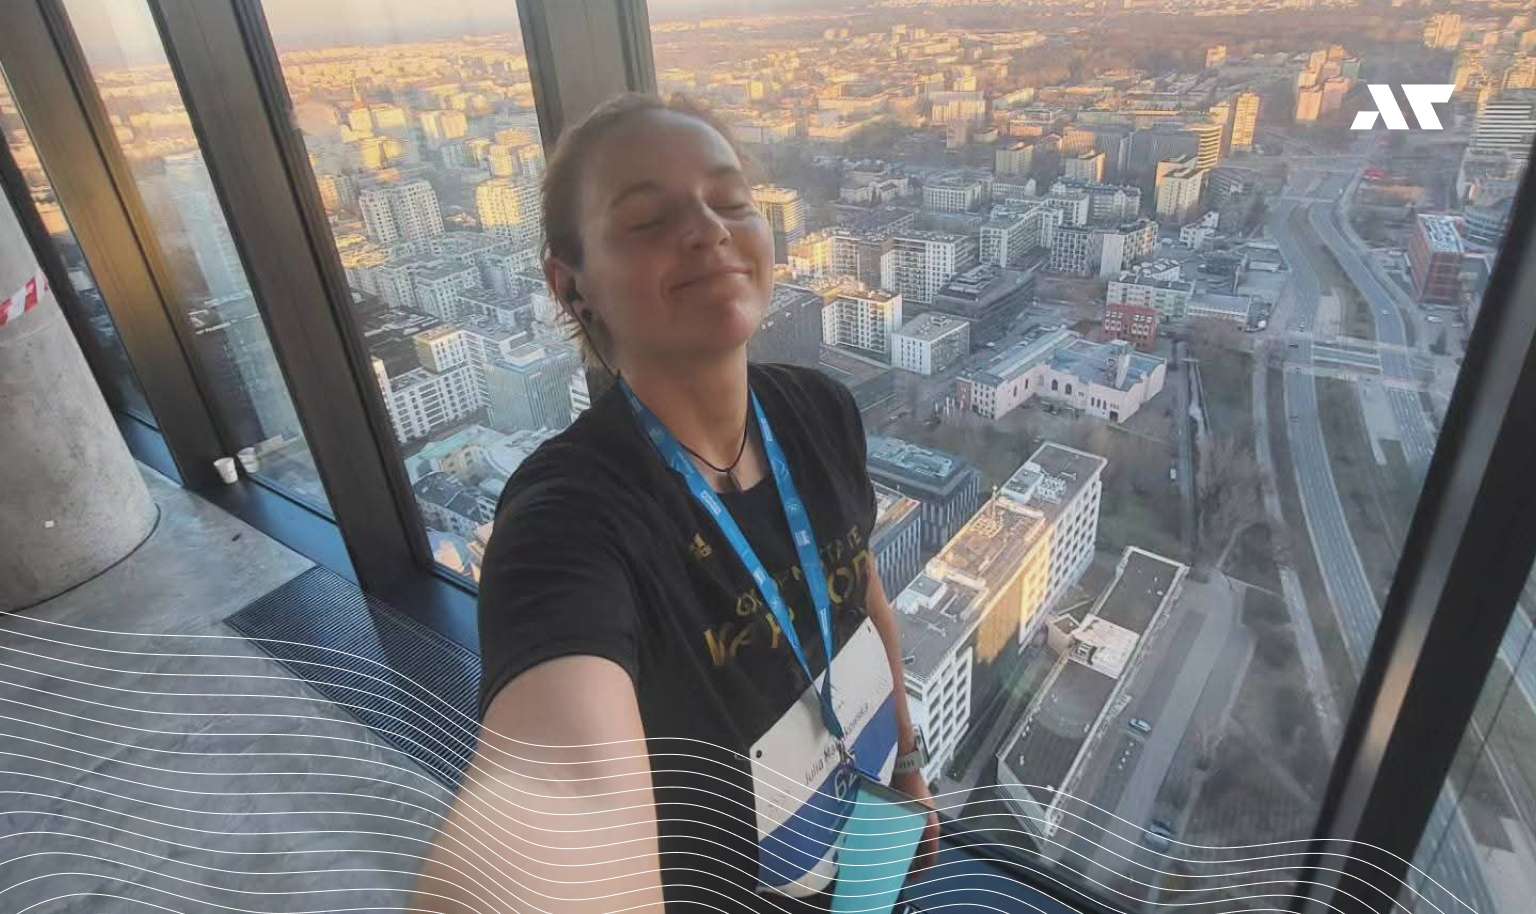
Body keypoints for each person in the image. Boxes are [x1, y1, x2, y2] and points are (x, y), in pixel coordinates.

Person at [409, 93, 939, 914]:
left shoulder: (819, 409)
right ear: (570, 285)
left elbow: (858, 589)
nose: (708, 229)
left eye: (731, 201)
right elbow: (560, 791)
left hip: (865, 837)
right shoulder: (568, 520)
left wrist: (908, 761)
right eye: (649, 220)